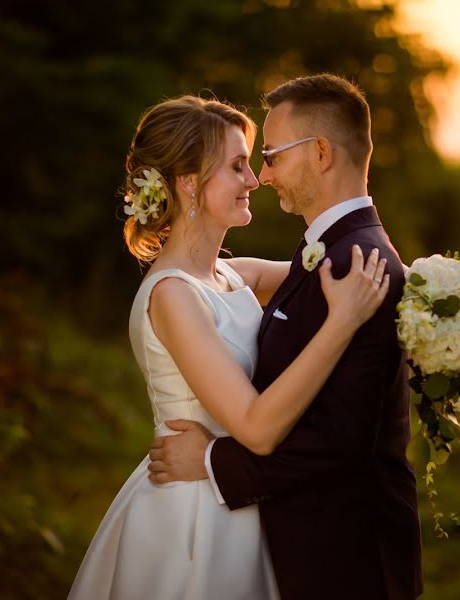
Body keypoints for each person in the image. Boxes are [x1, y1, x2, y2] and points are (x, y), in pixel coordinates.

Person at [68, 95, 390, 600]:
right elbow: (258, 429)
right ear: (190, 183)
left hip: (241, 499)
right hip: (195, 519)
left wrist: (437, 286)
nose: (254, 179)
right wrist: (342, 323)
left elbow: (352, 271)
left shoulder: (231, 275)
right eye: (238, 166)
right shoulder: (173, 296)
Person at [149, 74, 424, 599]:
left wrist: (210, 461)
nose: (263, 175)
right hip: (309, 545)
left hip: (346, 559)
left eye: (271, 156)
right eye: (249, 163)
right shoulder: (332, 253)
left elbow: (339, 442)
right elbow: (236, 276)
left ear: (320, 153)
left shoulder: (352, 265)